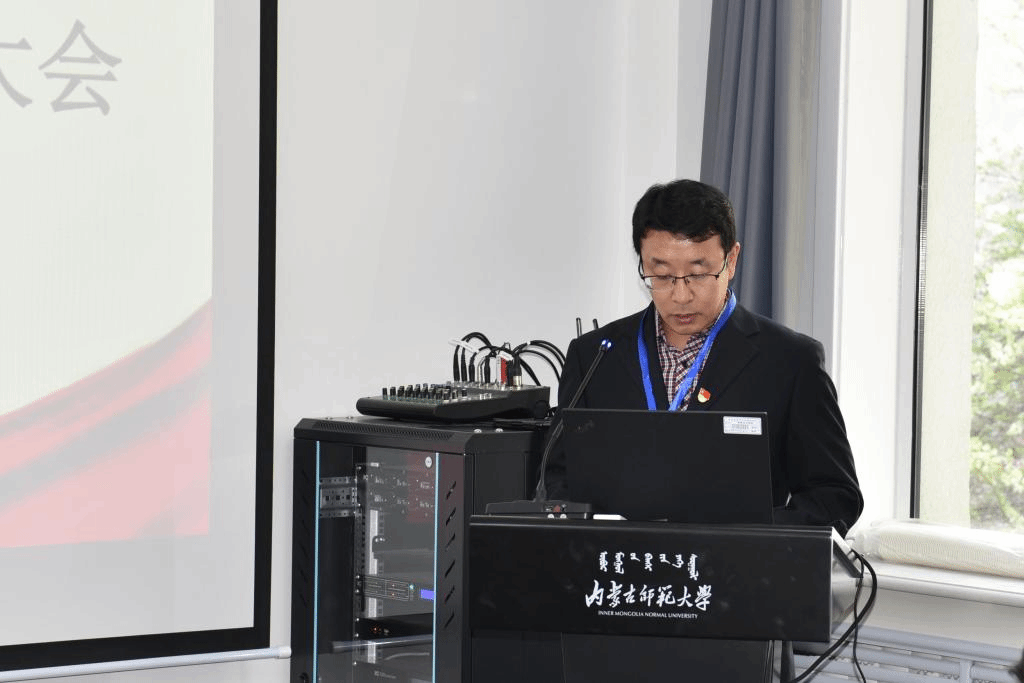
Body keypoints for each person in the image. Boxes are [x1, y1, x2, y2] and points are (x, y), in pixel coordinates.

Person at [546, 178, 863, 536]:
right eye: (662, 275)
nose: (680, 296)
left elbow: (834, 497)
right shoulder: (594, 358)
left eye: (698, 274)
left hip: (738, 565)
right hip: (623, 564)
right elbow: (557, 481)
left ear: (732, 260)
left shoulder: (790, 362)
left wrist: (746, 534)